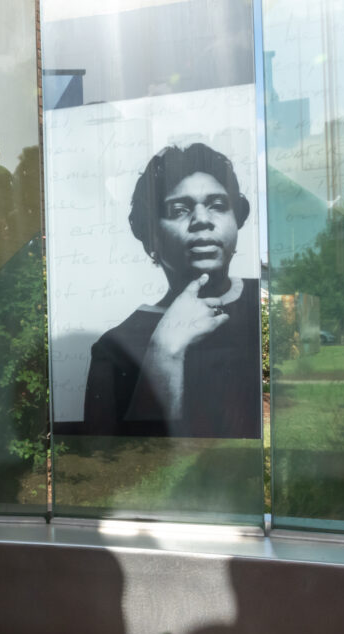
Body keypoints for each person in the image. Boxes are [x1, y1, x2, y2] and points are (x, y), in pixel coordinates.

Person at [83, 143, 261, 438]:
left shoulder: (263, 303)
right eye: (179, 210)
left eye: (218, 205)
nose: (202, 220)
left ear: (237, 220)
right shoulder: (114, 348)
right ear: (151, 236)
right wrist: (164, 352)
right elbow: (110, 468)